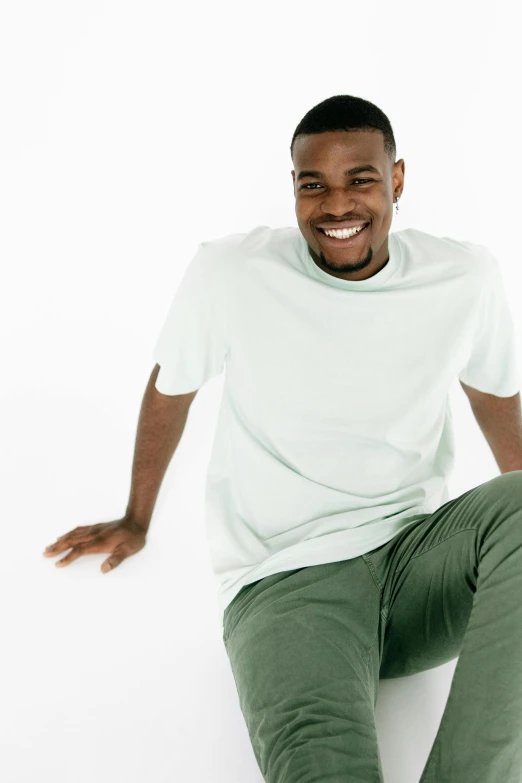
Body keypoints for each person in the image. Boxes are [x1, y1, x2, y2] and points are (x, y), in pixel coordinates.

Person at [43, 95, 522, 783]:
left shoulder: (463, 278)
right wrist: (136, 516)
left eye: (360, 179)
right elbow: (171, 386)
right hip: (286, 585)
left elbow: (493, 391)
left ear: (398, 180)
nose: (337, 206)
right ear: (293, 191)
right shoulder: (231, 274)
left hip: (417, 566)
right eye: (312, 185)